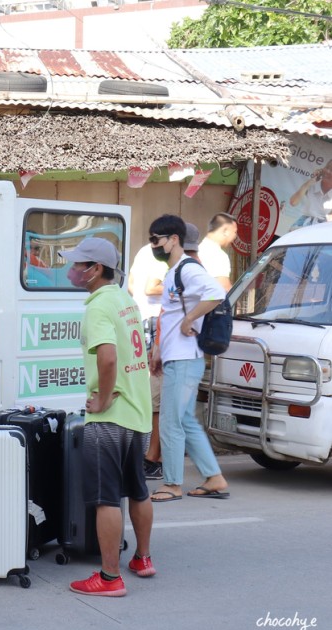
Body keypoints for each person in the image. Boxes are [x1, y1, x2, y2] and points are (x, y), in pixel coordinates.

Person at [59, 237, 155, 598]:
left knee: (106, 498)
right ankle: (143, 559)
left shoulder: (98, 306)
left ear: (94, 270)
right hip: (137, 413)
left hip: (111, 416)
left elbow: (109, 358)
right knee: (139, 490)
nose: (71, 270)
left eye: (76, 264)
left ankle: (110, 578)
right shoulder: (124, 299)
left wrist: (100, 398)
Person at [148, 214, 230, 503]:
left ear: (173, 240)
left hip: (185, 358)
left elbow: (216, 293)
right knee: (185, 420)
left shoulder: (187, 270)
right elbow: (170, 316)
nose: (153, 245)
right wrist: (159, 350)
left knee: (171, 421)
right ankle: (214, 477)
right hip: (177, 357)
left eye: (156, 239)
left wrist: (191, 319)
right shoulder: (173, 273)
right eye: (151, 240)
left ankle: (172, 483)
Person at [126, 241, 167, 481]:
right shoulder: (165, 258)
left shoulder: (142, 251)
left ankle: (153, 456)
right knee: (157, 399)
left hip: (142, 321)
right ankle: (153, 458)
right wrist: (177, 289)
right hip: (155, 323)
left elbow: (133, 285)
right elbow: (152, 287)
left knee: (152, 395)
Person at [288, 159, 332, 231]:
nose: (327, 171)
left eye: (331, 170)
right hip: (301, 225)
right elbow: (293, 202)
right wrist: (309, 182)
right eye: (327, 167)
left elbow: (330, 219)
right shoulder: (312, 184)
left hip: (321, 229)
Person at [198, 213, 237, 290]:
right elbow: (224, 288)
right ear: (226, 231)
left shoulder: (198, 249)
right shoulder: (218, 255)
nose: (235, 236)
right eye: (235, 232)